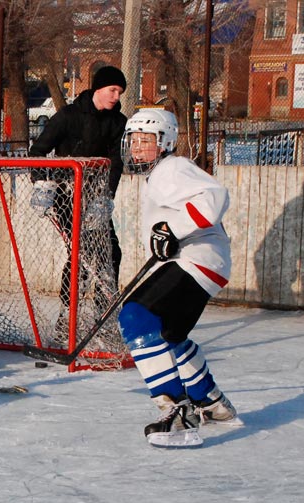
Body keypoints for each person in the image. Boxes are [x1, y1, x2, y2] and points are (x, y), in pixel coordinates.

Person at [117, 108, 241, 447]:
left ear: (165, 143)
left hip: (198, 259)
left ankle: (177, 410)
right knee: (169, 334)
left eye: (146, 141)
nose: (137, 149)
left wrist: (173, 229)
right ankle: (211, 401)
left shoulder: (170, 168)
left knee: (135, 317)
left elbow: (216, 198)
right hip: (204, 261)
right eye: (134, 141)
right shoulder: (158, 174)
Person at [28, 65, 128, 338]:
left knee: (111, 253)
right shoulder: (69, 116)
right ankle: (67, 316)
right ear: (98, 88)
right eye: (112, 90)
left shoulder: (118, 123)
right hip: (66, 195)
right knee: (81, 254)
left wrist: (106, 196)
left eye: (119, 92)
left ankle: (102, 315)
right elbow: (37, 151)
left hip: (95, 198)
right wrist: (42, 183)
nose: (116, 96)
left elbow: (116, 163)